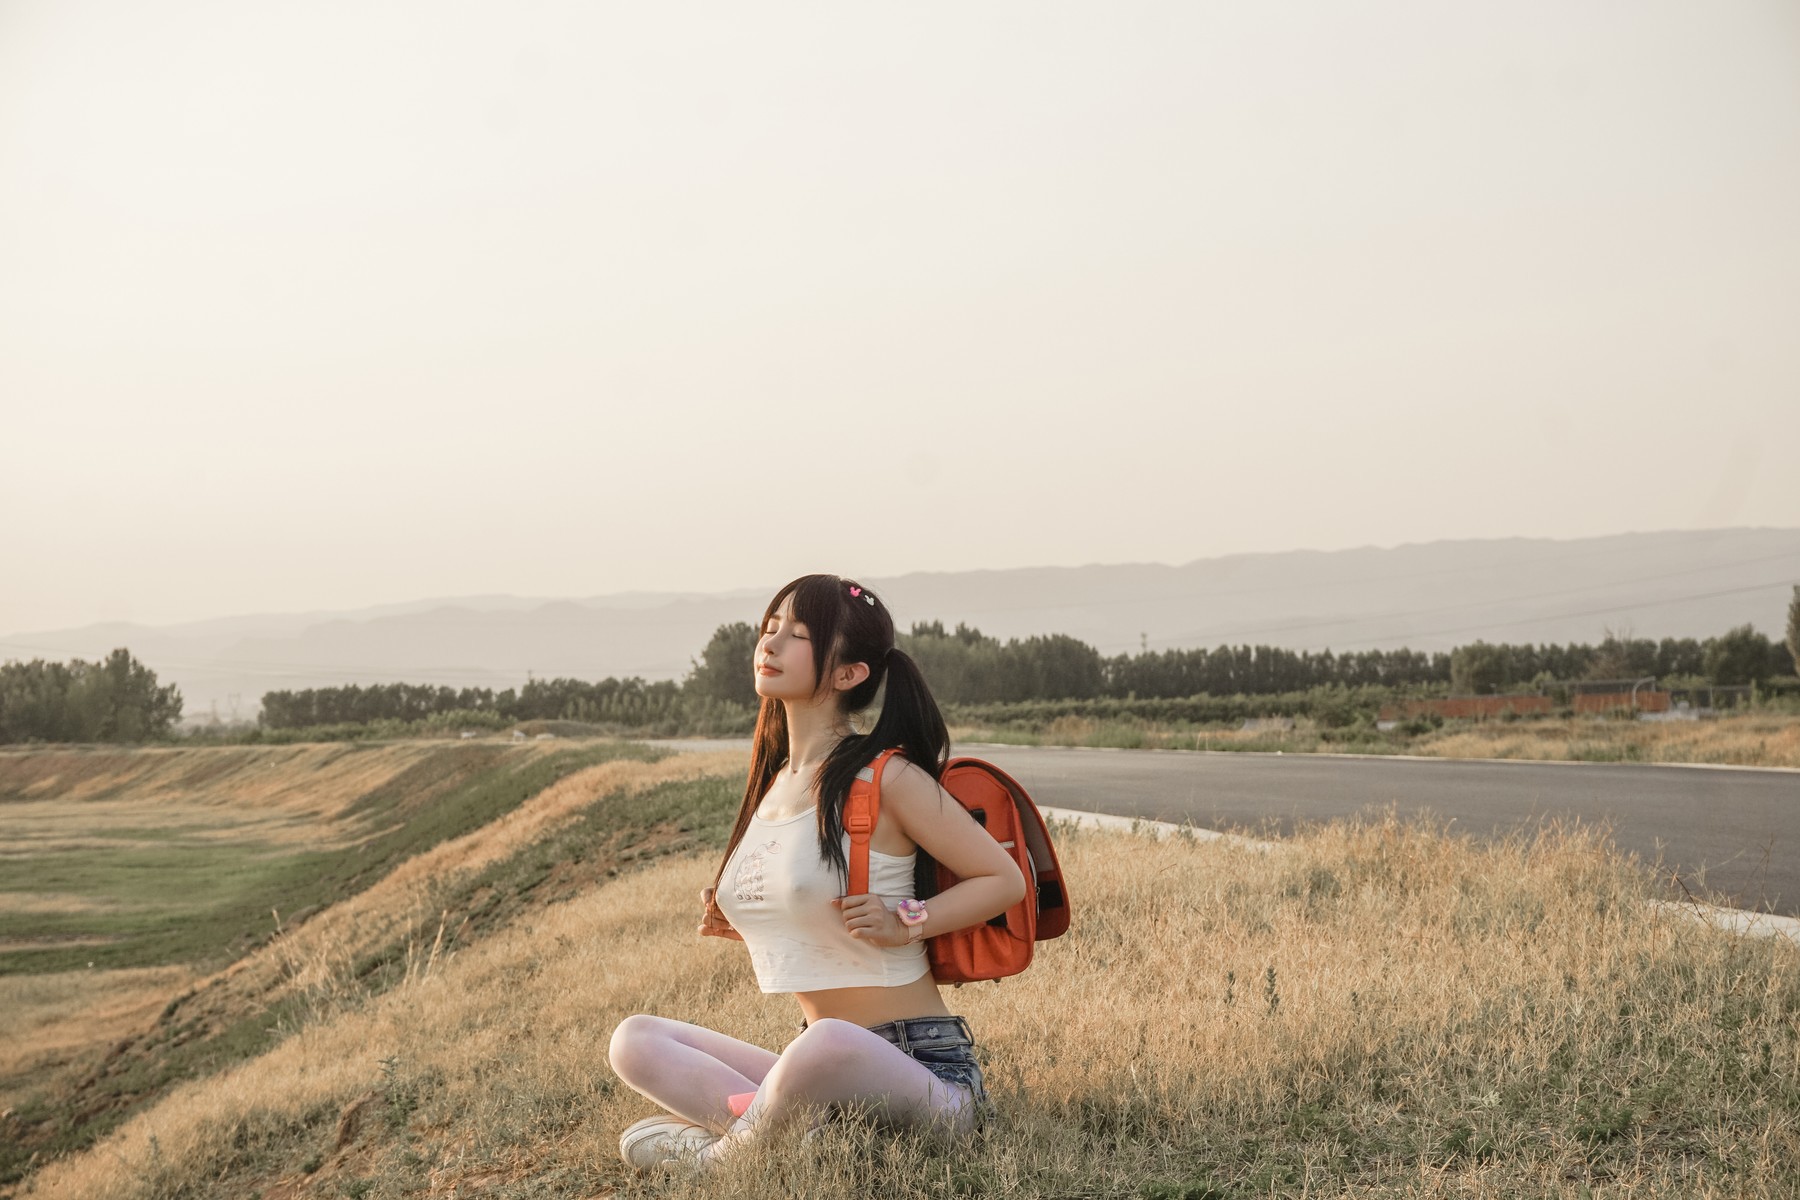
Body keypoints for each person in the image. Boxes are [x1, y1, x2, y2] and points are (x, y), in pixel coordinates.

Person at [606, 574, 1027, 1173]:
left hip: (921, 1075)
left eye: (796, 634)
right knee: (636, 1039)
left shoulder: (888, 779)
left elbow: (1004, 880)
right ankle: (796, 1135)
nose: (769, 644)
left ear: (849, 674)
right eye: (769, 628)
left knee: (825, 1041)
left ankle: (726, 1159)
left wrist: (910, 921)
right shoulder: (774, 784)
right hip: (820, 1074)